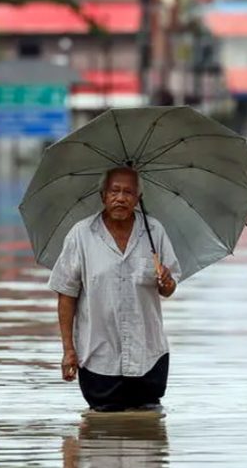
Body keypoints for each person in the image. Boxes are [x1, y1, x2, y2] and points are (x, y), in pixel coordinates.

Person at [49, 166, 180, 412]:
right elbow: (66, 294)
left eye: (129, 192)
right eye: (114, 191)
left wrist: (167, 282)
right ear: (103, 196)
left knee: (149, 428)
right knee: (100, 431)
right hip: (98, 358)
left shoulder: (154, 232)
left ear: (138, 199)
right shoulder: (81, 235)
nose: (121, 198)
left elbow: (168, 289)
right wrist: (68, 351)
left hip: (149, 356)